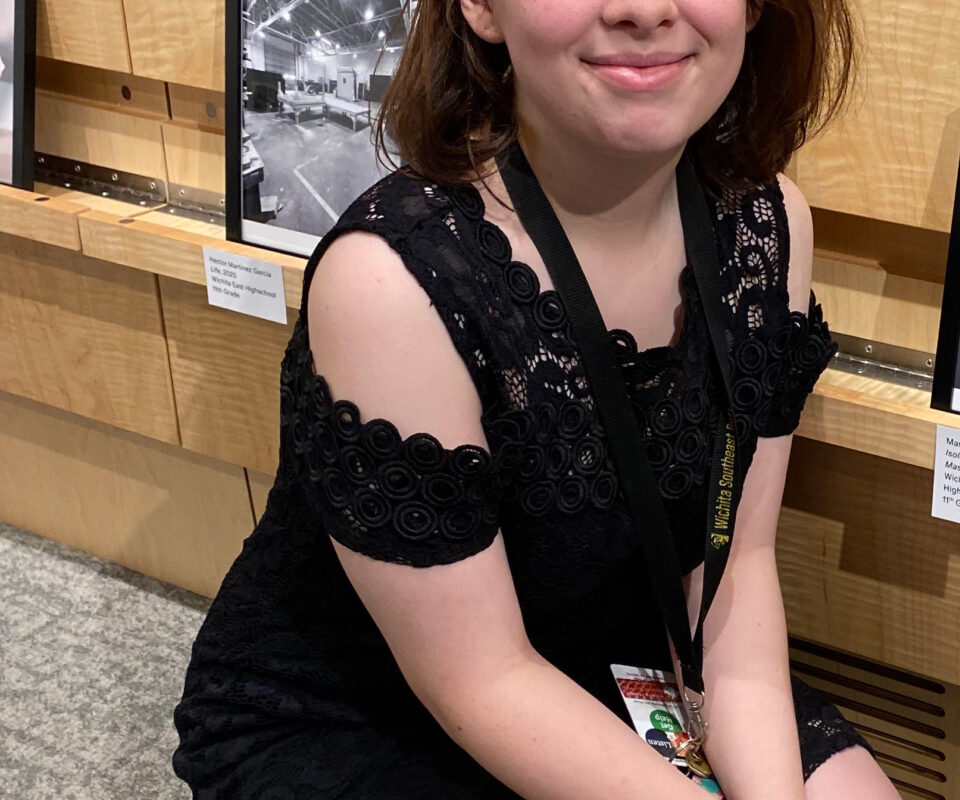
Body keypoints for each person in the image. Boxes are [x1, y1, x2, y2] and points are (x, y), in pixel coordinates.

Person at [172, 0, 900, 797]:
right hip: (374, 705)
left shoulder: (770, 223)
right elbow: (481, 680)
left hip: (623, 648)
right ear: (481, 8)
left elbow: (732, 562)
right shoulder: (392, 280)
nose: (646, 11)